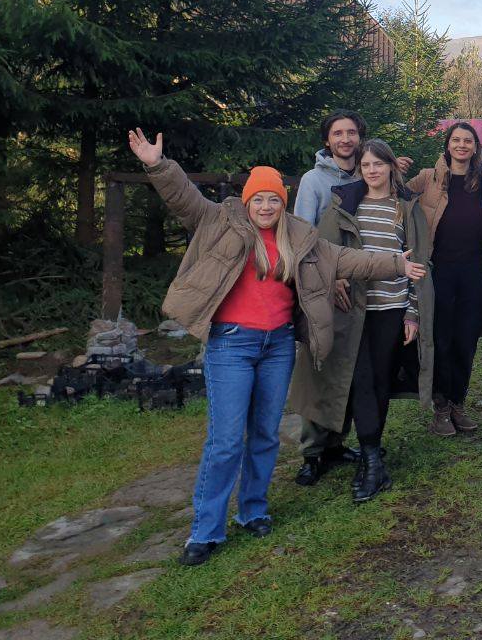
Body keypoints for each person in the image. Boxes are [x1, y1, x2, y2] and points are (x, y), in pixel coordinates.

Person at [127, 128, 425, 566]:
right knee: (226, 440)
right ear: (246, 202)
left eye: (273, 200)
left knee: (265, 434)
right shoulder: (219, 222)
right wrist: (158, 164)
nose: (266, 207)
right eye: (258, 199)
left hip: (278, 345)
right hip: (231, 345)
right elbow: (183, 198)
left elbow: (348, 260)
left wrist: (397, 263)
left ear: (282, 203)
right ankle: (206, 531)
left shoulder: (299, 238)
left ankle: (253, 511)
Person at [288, 139, 434, 502]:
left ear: (390, 168)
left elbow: (421, 264)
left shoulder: (406, 209)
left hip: (392, 308)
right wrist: (335, 277)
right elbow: (320, 253)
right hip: (352, 310)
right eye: (365, 165)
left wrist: (413, 311)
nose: (372, 170)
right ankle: (369, 460)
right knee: (361, 380)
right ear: (360, 170)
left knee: (379, 382)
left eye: (378, 165)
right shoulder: (343, 207)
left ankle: (372, 458)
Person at [406, 122, 482, 437]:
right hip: (439, 272)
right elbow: (392, 198)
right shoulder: (429, 178)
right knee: (441, 340)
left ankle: (458, 403)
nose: (462, 145)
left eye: (468, 141)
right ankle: (441, 408)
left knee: (466, 340)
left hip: (476, 273)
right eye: (456, 140)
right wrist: (395, 171)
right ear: (448, 145)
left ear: (475, 147)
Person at [290, 109, 366, 485]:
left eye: (351, 133)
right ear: (328, 140)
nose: (346, 139)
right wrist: (330, 277)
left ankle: (338, 443)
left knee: (348, 366)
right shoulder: (313, 181)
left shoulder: (368, 174)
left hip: (359, 287)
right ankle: (313, 451)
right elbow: (303, 236)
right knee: (319, 365)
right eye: (338, 133)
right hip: (325, 285)